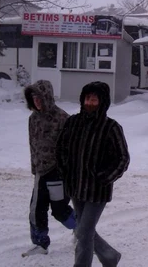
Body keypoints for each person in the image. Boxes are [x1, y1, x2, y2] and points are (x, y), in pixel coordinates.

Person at [57, 82, 130, 267]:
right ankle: (109, 256)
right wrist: (65, 169)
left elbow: (122, 159)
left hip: (97, 191)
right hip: (75, 186)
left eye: (94, 99)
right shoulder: (72, 123)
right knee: (84, 231)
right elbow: (61, 149)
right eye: (87, 98)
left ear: (102, 102)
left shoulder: (111, 128)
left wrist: (104, 177)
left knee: (83, 232)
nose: (90, 102)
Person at [22, 80, 77, 257]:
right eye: (33, 98)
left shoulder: (62, 118)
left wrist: (68, 172)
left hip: (58, 173)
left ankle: (82, 231)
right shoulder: (33, 119)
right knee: (35, 210)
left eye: (39, 97)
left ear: (47, 97)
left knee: (60, 211)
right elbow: (33, 145)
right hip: (40, 172)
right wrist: (35, 168)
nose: (36, 101)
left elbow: (72, 148)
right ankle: (40, 244)